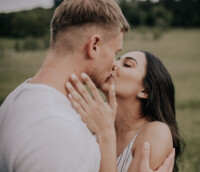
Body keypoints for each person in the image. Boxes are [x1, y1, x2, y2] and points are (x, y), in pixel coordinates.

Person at [0, 0, 174, 171]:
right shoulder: (56, 128)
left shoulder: (17, 96)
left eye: (125, 63)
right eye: (115, 53)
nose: (114, 63)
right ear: (94, 46)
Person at [67, 51, 184, 172]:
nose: (113, 64)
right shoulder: (92, 118)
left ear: (145, 91)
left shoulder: (156, 133)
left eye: (127, 64)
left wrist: (105, 135)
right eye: (117, 59)